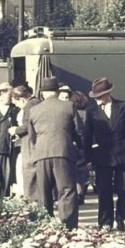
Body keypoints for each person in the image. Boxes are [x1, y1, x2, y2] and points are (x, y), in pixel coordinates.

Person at [82, 77, 125, 232]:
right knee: (104, 190)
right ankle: (105, 222)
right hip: (102, 157)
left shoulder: (123, 106)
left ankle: (120, 217)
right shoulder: (91, 112)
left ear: (107, 94)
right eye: (95, 97)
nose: (97, 100)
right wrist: (87, 158)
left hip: (124, 154)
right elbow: (87, 136)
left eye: (99, 96)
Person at [25, 76, 82, 229]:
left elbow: (32, 136)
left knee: (43, 192)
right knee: (67, 191)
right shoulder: (69, 107)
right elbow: (79, 131)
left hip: (41, 154)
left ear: (42, 93)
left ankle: (45, 226)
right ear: (57, 91)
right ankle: (68, 227)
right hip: (63, 152)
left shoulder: (34, 110)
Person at [10, 84, 41, 197]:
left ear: (22, 99)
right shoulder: (35, 102)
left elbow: (28, 124)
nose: (17, 106)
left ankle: (31, 199)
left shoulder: (30, 105)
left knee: (29, 170)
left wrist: (16, 130)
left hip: (29, 144)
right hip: (30, 142)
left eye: (16, 103)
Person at [68, 90, 91, 205]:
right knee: (81, 172)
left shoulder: (70, 113)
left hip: (72, 144)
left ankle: (75, 195)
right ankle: (81, 194)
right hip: (83, 145)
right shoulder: (87, 114)